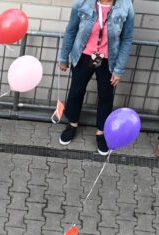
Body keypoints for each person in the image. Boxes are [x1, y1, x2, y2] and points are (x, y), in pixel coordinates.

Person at [57, 0, 136, 155]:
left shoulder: (126, 6)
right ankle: (72, 124)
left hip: (109, 60)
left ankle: (101, 132)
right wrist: (63, 57)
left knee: (106, 97)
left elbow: (127, 39)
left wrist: (119, 69)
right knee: (75, 92)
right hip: (83, 56)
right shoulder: (82, 2)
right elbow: (71, 31)